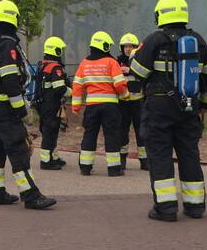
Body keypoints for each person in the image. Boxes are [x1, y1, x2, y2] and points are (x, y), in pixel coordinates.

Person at [129, 0, 207, 221]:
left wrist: (134, 59)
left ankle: (165, 209)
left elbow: (137, 75)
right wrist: (206, 103)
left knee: (160, 155)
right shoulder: (198, 40)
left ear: (161, 14)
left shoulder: (154, 40)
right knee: (189, 153)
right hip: (189, 107)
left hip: (159, 108)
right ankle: (195, 206)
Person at [0, 0, 56, 209]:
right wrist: (20, 108)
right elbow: (10, 77)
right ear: (13, 18)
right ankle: (31, 196)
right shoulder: (6, 43)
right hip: (4, 107)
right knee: (18, 148)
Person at [71, 31, 129, 177]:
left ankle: (85, 167)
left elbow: (77, 86)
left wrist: (76, 107)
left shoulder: (84, 64)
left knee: (89, 134)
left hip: (91, 106)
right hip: (110, 106)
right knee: (111, 135)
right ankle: (114, 169)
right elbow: (120, 84)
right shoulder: (111, 62)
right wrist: (125, 95)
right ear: (104, 46)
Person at [36, 36, 70, 170]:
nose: (61, 52)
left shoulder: (43, 65)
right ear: (56, 51)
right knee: (50, 131)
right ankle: (46, 161)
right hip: (51, 105)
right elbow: (60, 89)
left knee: (52, 131)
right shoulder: (55, 68)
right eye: (60, 49)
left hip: (43, 104)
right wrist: (73, 92)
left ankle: (54, 157)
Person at [116, 32, 148, 171]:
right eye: (126, 46)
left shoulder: (141, 61)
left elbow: (146, 75)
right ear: (121, 48)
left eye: (131, 46)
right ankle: (122, 159)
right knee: (122, 131)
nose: (128, 49)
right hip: (123, 102)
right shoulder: (116, 62)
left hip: (138, 102)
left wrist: (131, 70)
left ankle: (144, 160)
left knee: (141, 131)